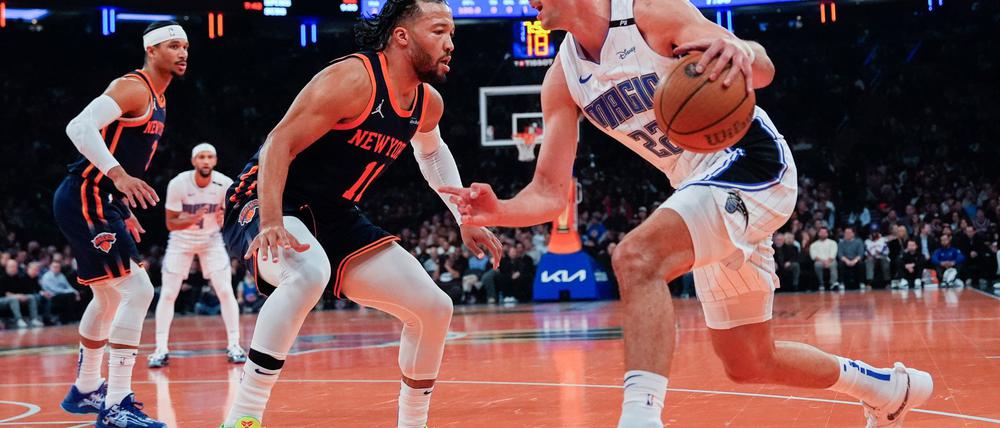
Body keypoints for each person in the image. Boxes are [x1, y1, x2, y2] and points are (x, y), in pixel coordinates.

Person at [440, 0, 933, 424]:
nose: (527, 1)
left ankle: (640, 416)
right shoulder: (563, 78)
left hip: (751, 162)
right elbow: (549, 190)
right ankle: (888, 390)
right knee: (748, 361)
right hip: (697, 186)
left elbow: (760, 70)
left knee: (637, 257)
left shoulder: (649, 14)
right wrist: (499, 210)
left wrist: (741, 52)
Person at [218, 2, 501, 427]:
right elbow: (279, 142)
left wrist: (464, 219)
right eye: (439, 31)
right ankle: (243, 417)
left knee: (433, 307)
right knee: (308, 271)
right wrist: (272, 220)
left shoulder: (428, 103)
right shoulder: (353, 78)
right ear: (402, 36)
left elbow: (433, 154)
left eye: (453, 35)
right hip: (269, 197)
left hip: (334, 212)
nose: (450, 44)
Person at [52, 20, 187, 428]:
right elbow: (78, 127)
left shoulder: (161, 99)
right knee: (138, 289)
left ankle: (87, 388)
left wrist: (120, 203)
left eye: (186, 46)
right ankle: (115, 405)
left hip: (97, 199)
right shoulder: (134, 86)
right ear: (152, 50)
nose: (183, 52)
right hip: (85, 195)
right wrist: (117, 178)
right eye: (174, 45)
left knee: (108, 299)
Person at [149, 143, 245, 368]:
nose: (205, 161)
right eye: (201, 157)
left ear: (215, 161)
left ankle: (235, 345)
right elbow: (171, 223)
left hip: (211, 240)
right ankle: (160, 349)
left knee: (224, 290)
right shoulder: (179, 184)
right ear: (194, 161)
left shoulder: (224, 183)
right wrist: (194, 218)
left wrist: (225, 220)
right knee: (169, 293)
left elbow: (231, 218)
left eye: (209, 157)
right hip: (181, 241)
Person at [0, 259, 43, 328]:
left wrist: (22, 295)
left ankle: (34, 319)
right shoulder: (2, 278)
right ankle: (18, 320)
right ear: (7, 268)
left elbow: (22, 291)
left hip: (15, 297)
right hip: (2, 299)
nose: (15, 268)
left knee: (31, 297)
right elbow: (4, 293)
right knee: (13, 299)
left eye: (16, 267)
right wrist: (17, 296)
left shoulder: (18, 278)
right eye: (12, 267)